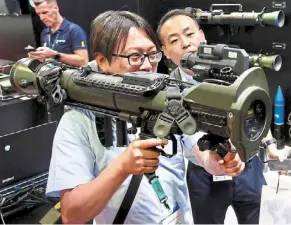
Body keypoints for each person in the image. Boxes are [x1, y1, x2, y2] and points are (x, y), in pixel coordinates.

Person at [45, 10, 244, 224]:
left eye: (152, 54)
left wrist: (216, 163)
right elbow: (72, 214)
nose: (148, 64)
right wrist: (122, 167)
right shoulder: (79, 120)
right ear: (102, 61)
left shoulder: (168, 97)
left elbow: (200, 154)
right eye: (135, 56)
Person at [157, 9, 285, 224]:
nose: (186, 43)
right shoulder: (168, 91)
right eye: (174, 40)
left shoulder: (233, 69)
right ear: (165, 51)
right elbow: (189, 137)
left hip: (248, 164)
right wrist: (208, 160)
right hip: (205, 175)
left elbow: (256, 108)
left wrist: (270, 143)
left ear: (202, 35)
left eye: (189, 34)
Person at [28, 0, 88, 67]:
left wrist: (55, 55)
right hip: (49, 75)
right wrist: (38, 56)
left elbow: (84, 61)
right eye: (39, 14)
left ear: (56, 8)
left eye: (44, 12)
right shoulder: (45, 33)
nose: (41, 18)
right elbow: (47, 60)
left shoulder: (74, 30)